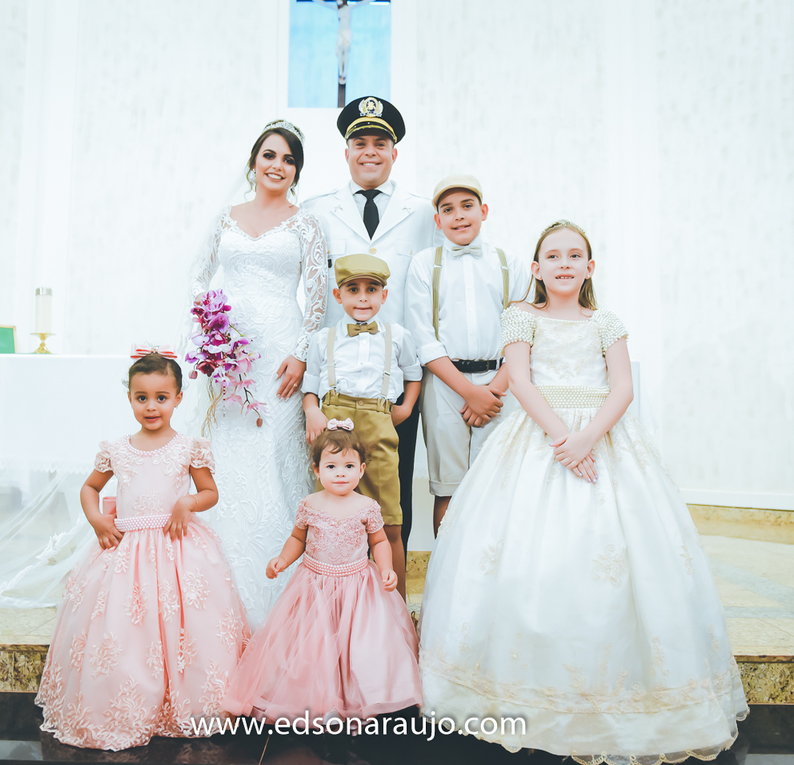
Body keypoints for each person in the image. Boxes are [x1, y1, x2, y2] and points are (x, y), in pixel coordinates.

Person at [418, 221, 748, 760]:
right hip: (539, 435)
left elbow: (623, 387)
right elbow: (520, 380)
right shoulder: (521, 317)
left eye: (575, 255)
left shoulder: (606, 322)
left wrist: (589, 436)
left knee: (623, 550)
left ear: (590, 268)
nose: (564, 263)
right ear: (536, 268)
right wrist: (560, 437)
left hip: (603, 438)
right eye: (553, 255)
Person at [36, 351, 249, 750]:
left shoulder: (189, 447)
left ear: (179, 398)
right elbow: (89, 488)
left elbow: (209, 492)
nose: (151, 406)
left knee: (181, 626)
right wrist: (97, 519)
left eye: (161, 397)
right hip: (128, 550)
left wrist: (188, 503)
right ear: (130, 398)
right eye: (142, 397)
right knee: (125, 629)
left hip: (176, 548)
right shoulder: (116, 449)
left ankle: (182, 699)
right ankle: (126, 703)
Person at [189, 119, 327, 627]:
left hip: (279, 355)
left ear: (296, 172)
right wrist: (209, 331)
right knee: (228, 452)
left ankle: (283, 590)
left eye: (289, 159)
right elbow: (197, 277)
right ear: (253, 162)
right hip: (228, 350)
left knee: (274, 453)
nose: (278, 165)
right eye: (270, 155)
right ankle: (215, 583)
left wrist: (302, 354)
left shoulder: (306, 224)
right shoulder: (225, 217)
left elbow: (315, 302)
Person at [302, 96, 435, 550]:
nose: (370, 151)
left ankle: (389, 606)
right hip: (338, 381)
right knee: (334, 489)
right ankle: (341, 591)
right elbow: (314, 296)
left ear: (394, 152)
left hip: (394, 380)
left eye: (381, 142)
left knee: (392, 495)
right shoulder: (318, 211)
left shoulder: (422, 213)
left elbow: (433, 287)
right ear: (346, 151)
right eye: (360, 142)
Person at [222, 423, 421, 723]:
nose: (340, 473)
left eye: (349, 465)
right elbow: (297, 539)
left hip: (357, 586)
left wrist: (386, 568)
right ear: (317, 470)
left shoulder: (367, 506)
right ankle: (319, 698)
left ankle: (362, 695)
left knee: (359, 643)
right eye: (331, 466)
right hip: (314, 586)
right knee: (316, 644)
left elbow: (379, 541)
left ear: (362, 469)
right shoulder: (310, 505)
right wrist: (282, 560)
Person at [404, 175, 531, 534]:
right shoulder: (424, 265)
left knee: (498, 482)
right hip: (445, 386)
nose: (458, 216)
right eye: (448, 209)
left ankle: (492, 581)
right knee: (450, 485)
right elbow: (423, 336)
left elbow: (524, 332)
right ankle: (447, 582)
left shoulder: (511, 264)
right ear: (437, 220)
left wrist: (492, 390)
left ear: (484, 211)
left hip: (501, 386)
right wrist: (468, 391)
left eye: (467, 206)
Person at [301, 254, 421, 598]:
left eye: (372, 289)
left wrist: (404, 409)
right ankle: (337, 598)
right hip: (334, 428)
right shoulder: (323, 338)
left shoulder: (398, 335)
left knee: (390, 521)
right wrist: (312, 409)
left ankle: (395, 606)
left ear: (385, 295)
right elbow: (311, 384)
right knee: (334, 520)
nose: (363, 298)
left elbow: (414, 375)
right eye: (353, 290)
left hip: (380, 422)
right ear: (338, 296)